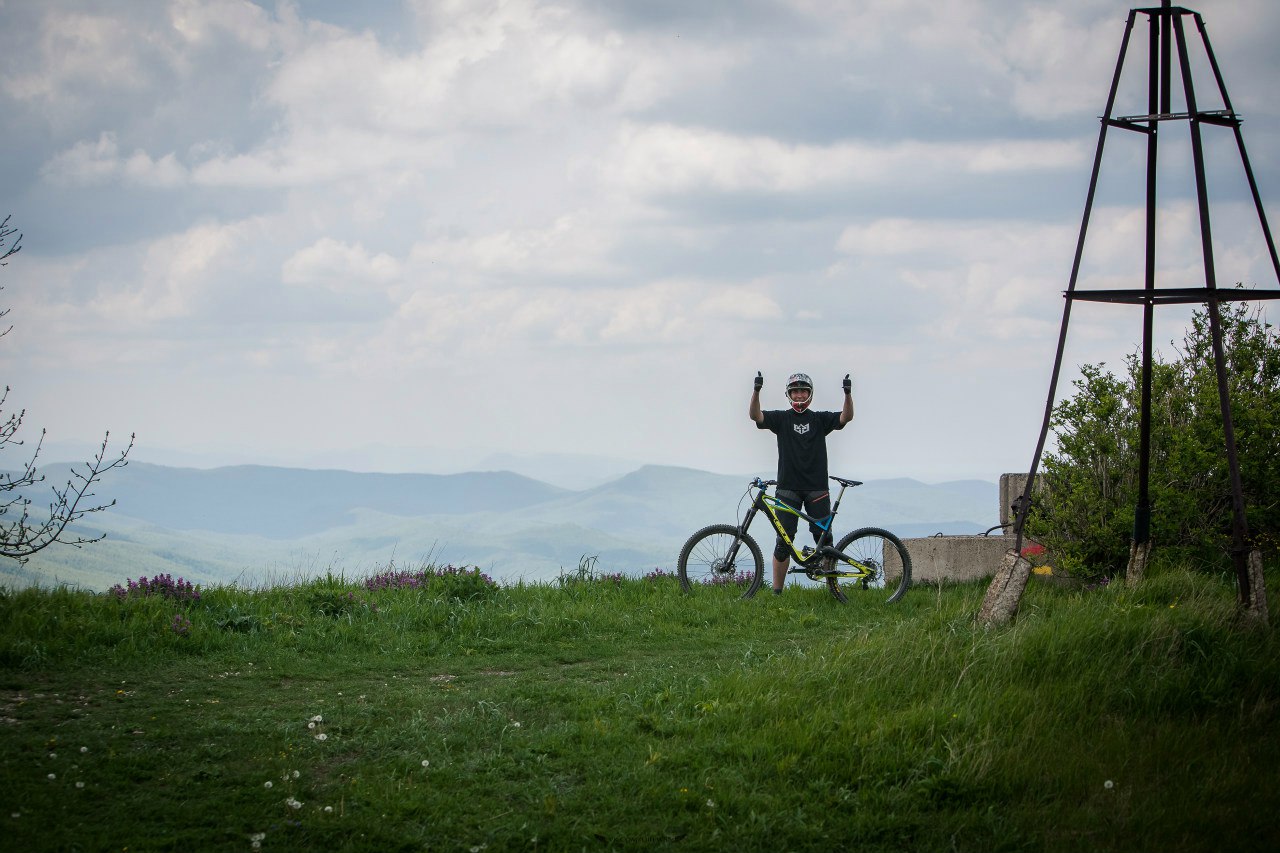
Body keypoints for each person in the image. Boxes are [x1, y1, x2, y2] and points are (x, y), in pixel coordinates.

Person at [749, 371, 854, 594]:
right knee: (783, 542)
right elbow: (756, 416)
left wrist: (847, 394)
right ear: (789, 394)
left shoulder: (819, 419)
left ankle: (832, 589)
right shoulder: (782, 418)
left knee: (825, 541)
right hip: (787, 488)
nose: (799, 395)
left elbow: (845, 417)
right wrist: (756, 390)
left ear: (810, 394)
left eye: (802, 391)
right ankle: (777, 593)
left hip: (817, 488)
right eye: (795, 391)